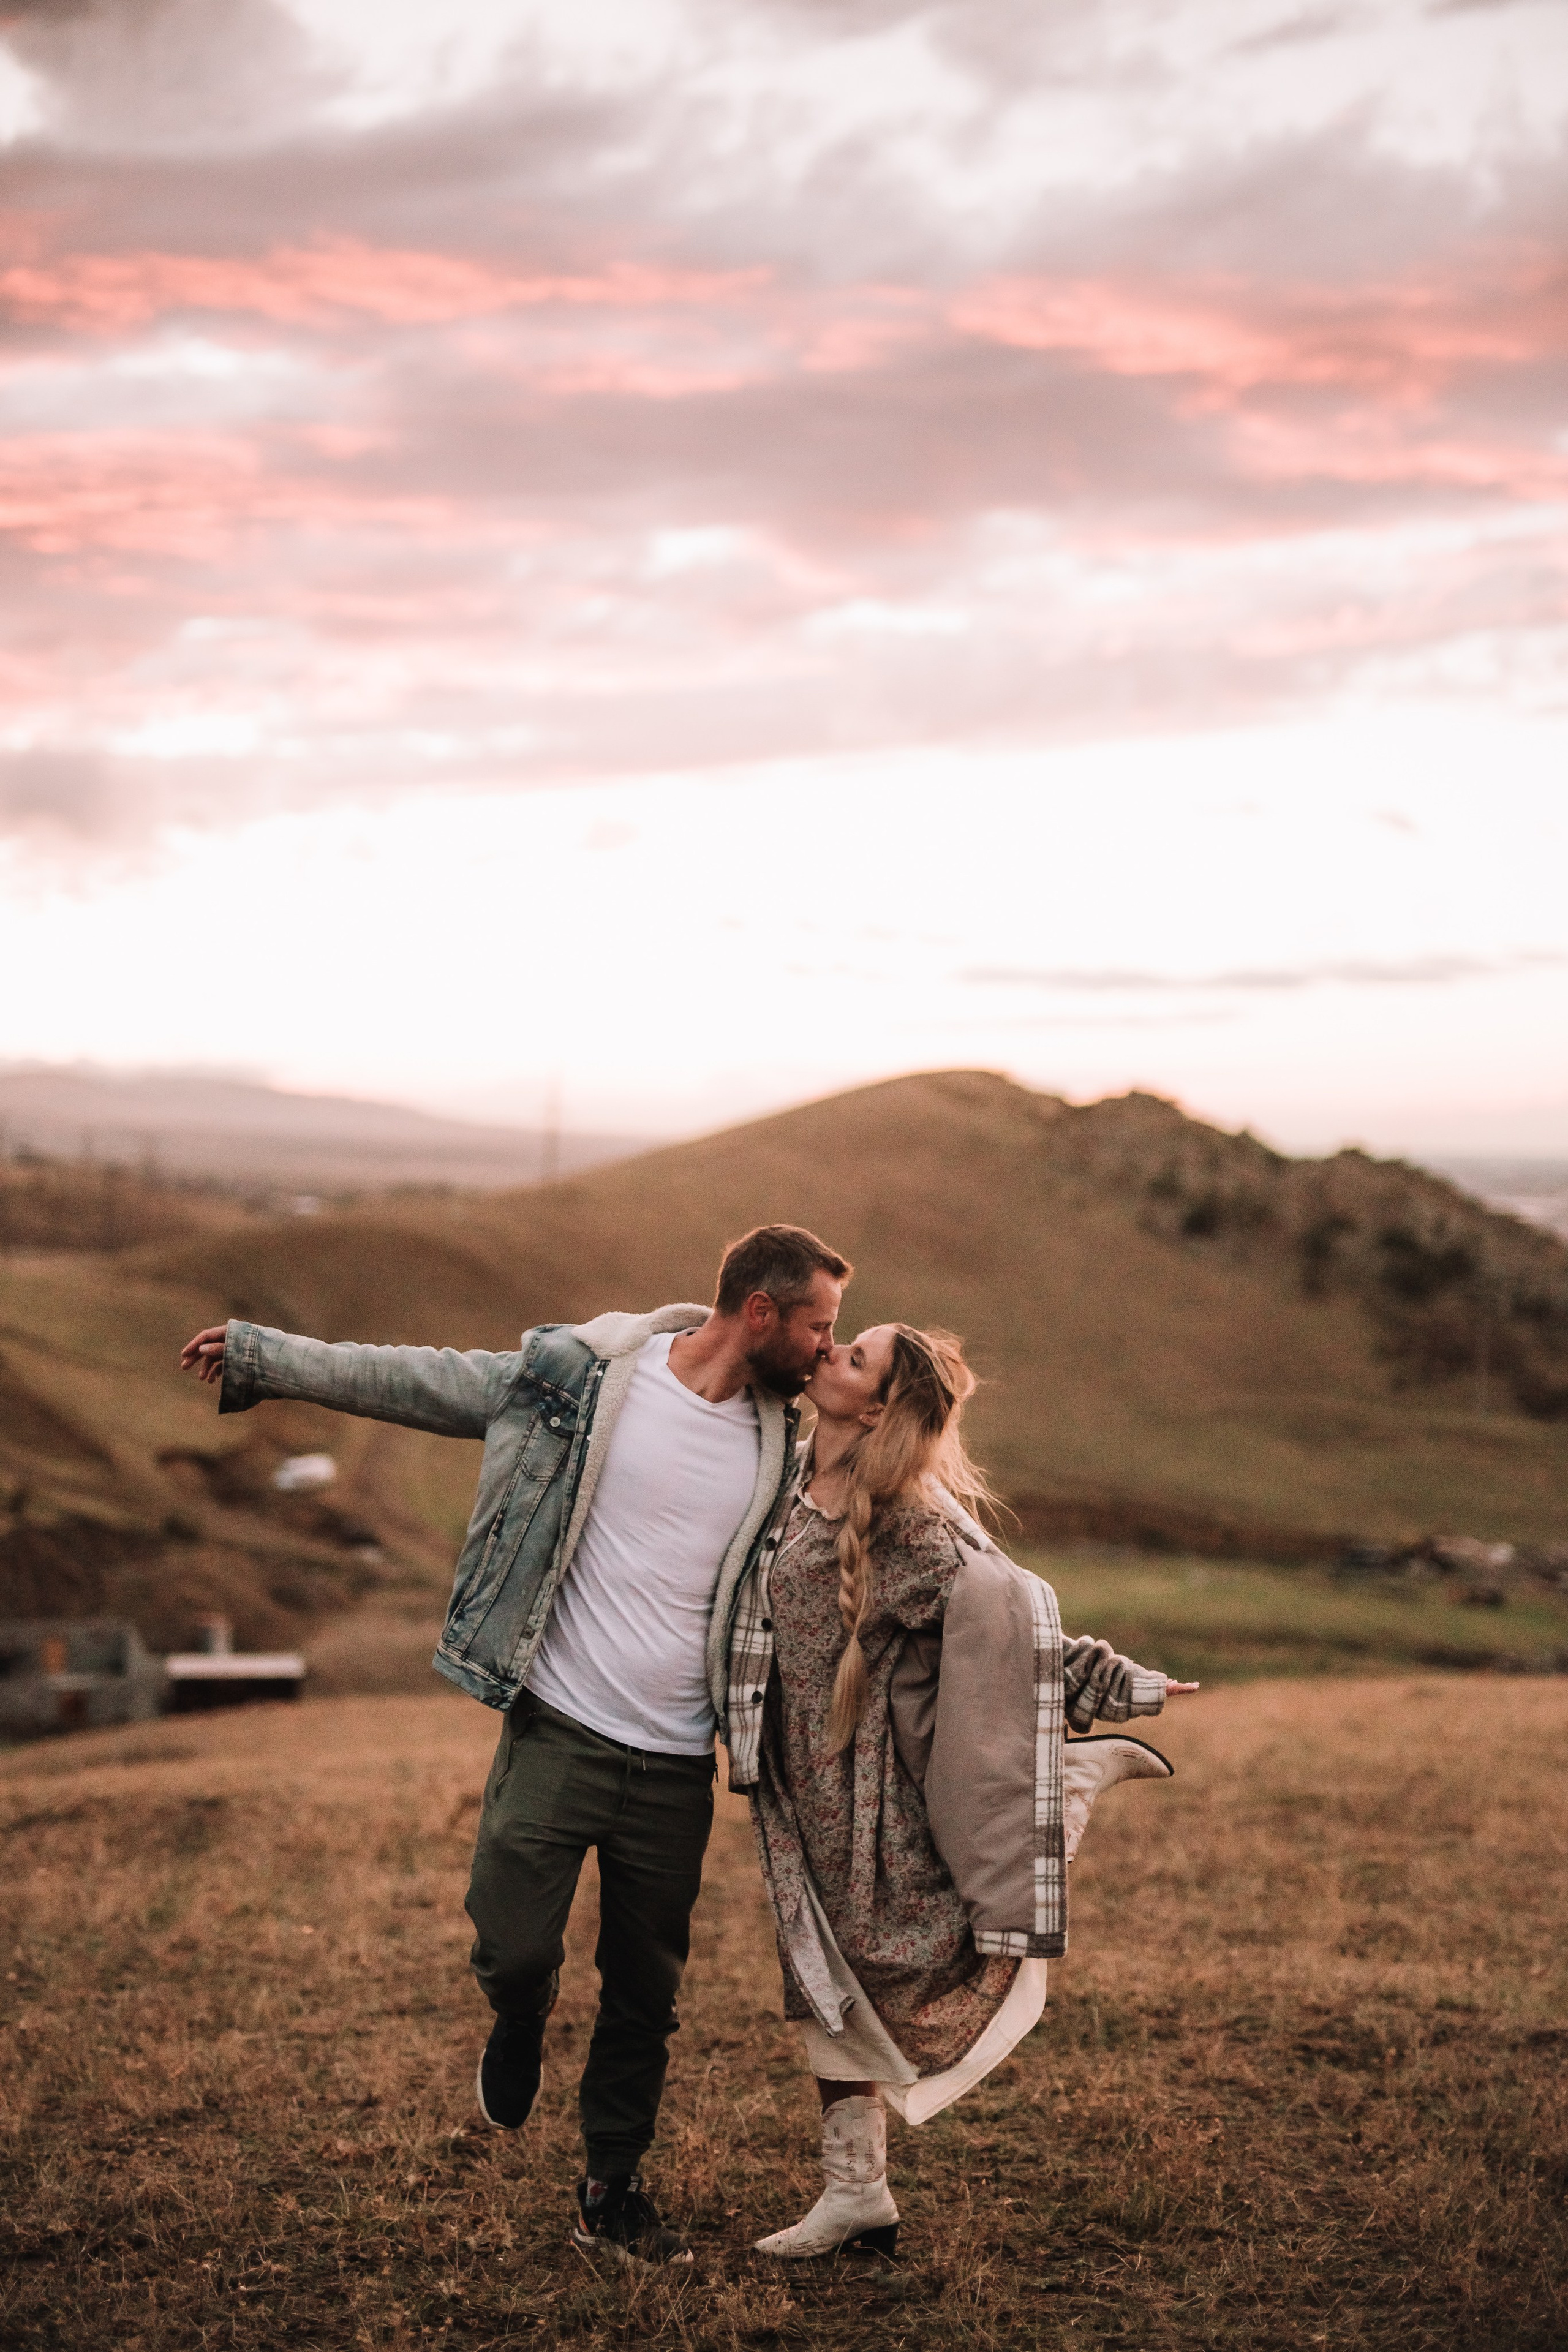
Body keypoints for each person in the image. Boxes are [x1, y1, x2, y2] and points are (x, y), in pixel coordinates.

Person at [179, 1223, 850, 2267]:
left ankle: (610, 2188)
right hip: (561, 1727)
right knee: (516, 1940)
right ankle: (521, 2007)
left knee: (646, 1990)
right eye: (818, 1326)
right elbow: (427, 1380)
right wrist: (271, 1360)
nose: (822, 1349)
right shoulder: (585, 1381)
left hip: (675, 1763)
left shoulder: (786, 1447)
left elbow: (910, 1512)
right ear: (759, 1313)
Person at [724, 1321, 1198, 2260]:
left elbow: (1011, 1626)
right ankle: (857, 2194)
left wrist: (1116, 1684)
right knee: (822, 1978)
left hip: (870, 1793)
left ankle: (1066, 1787)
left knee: (896, 1960)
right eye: (838, 1346)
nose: (828, 1358)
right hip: (794, 1787)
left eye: (852, 1359)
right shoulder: (780, 1469)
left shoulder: (911, 1521)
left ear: (880, 1405)